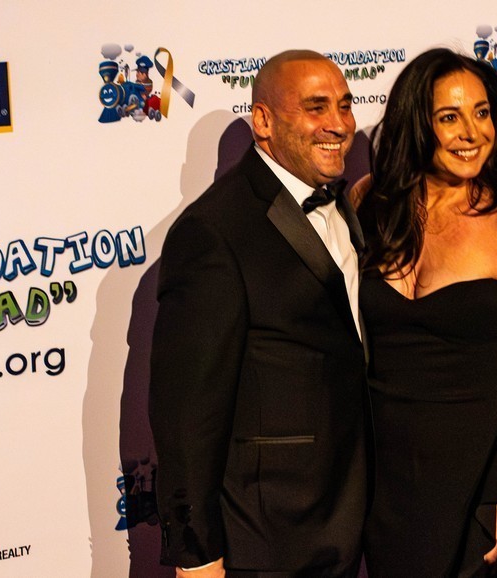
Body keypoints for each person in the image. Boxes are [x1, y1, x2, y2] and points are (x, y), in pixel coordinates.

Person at [149, 50, 368, 578]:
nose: (339, 124)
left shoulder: (345, 204)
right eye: (315, 107)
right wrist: (196, 554)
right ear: (263, 122)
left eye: (344, 105)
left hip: (346, 521)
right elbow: (185, 415)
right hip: (267, 541)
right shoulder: (214, 231)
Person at [353, 48, 497, 577]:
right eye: (449, 117)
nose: (472, 133)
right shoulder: (370, 202)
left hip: (469, 482)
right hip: (380, 478)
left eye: (482, 113)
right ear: (416, 124)